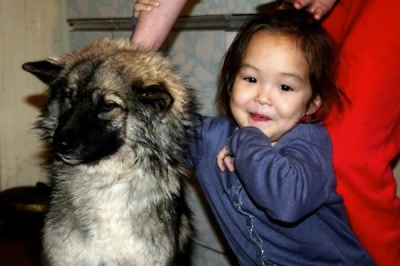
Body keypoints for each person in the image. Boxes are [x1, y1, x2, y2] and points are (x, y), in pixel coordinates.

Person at [131, 1, 400, 265]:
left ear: (312, 102)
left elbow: (286, 202)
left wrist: (245, 139)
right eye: (250, 79)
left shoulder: (310, 143)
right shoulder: (211, 139)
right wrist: (137, 55)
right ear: (229, 81)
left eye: (285, 87)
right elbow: (157, 121)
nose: (263, 97)